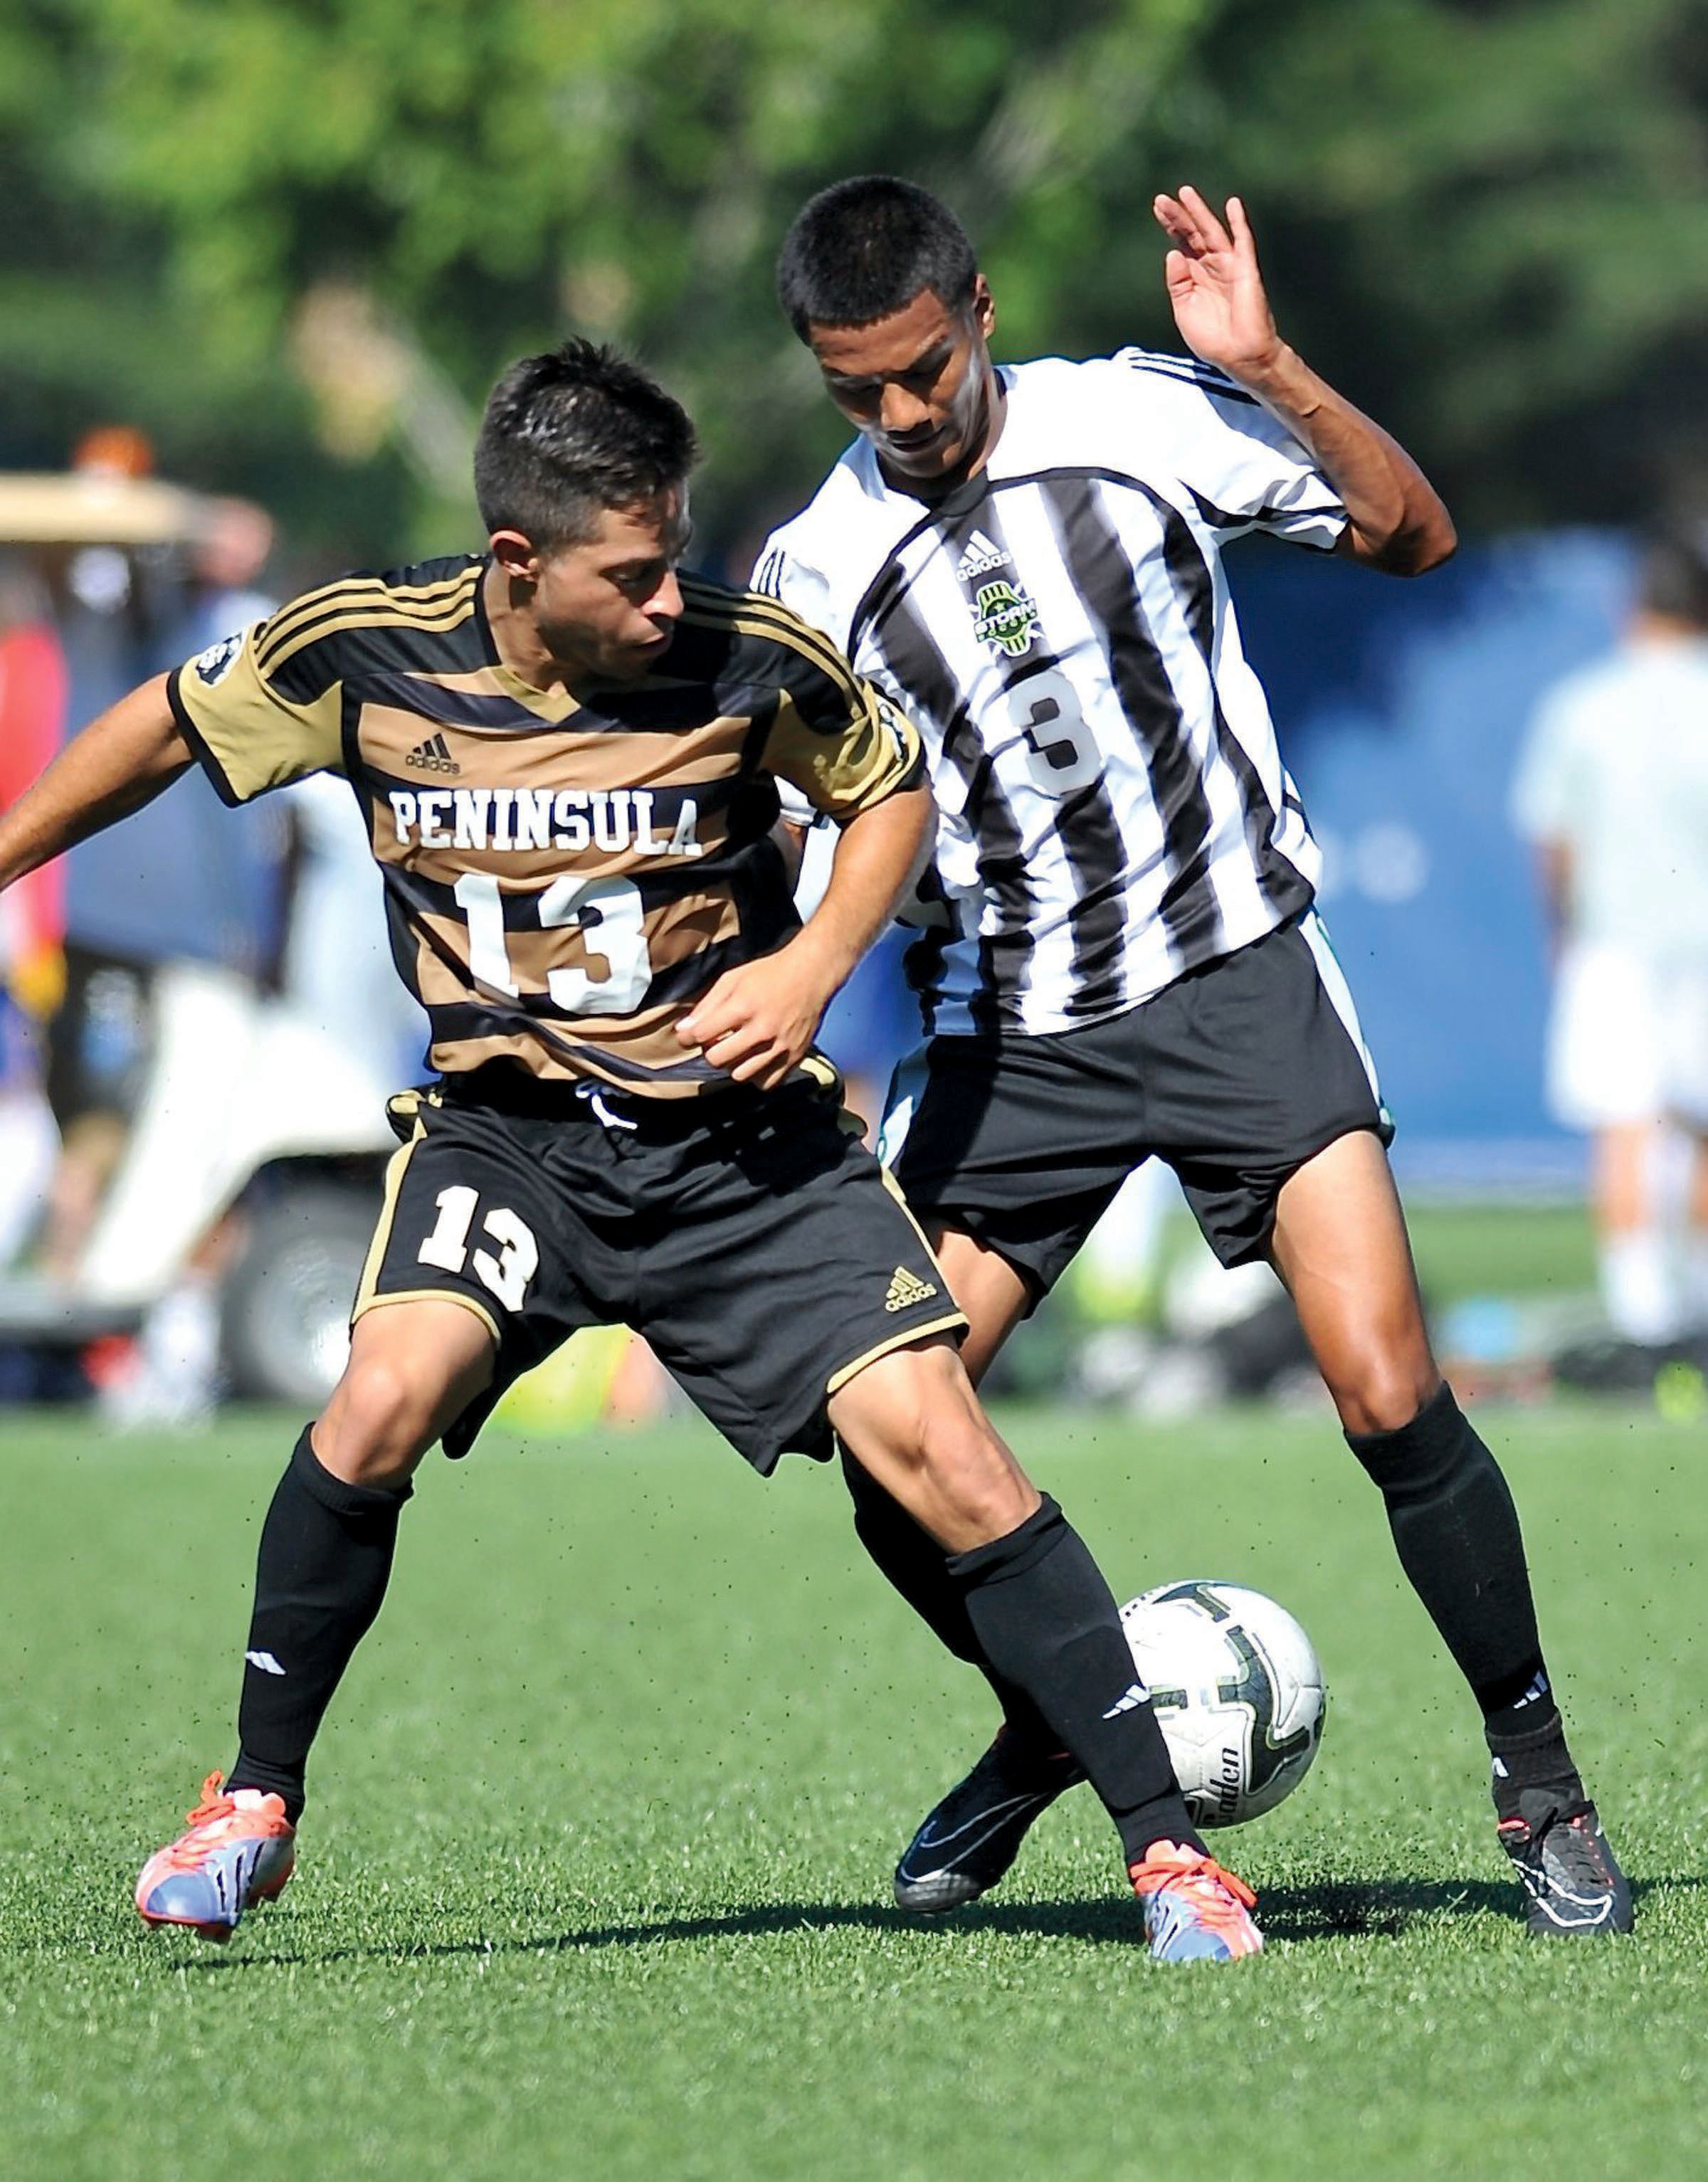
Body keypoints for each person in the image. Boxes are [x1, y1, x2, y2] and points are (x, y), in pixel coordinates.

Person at [0, 339, 1264, 1962]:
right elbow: (167, 728)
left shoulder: (742, 658)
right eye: (635, 569)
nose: (672, 597)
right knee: (375, 1398)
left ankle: (1167, 1858)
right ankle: (251, 1805)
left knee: (940, 1450)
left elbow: (888, 795)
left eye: (675, 556)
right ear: (517, 560)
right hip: (511, 1144)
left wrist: (806, 969)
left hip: (742, 1155)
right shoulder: (365, 656)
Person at [754, 175, 1631, 1939]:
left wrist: (1270, 363)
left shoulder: (1134, 417)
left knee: (1383, 1386)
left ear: (977, 309)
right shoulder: (809, 576)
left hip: (1231, 968)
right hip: (1005, 1035)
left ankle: (1534, 1779)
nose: (900, 417)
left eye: (920, 370)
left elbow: (1408, 534)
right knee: (888, 1437)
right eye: (857, 393)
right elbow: (812, 841)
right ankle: (1052, 1731)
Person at [1512, 533, 1708, 1350]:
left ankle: (1642, 1318)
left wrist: (1560, 927)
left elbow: (1555, 838)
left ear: (1635, 609)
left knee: (1625, 1125)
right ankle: (1697, 1307)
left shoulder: (1585, 704)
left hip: (1616, 942)